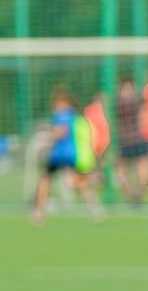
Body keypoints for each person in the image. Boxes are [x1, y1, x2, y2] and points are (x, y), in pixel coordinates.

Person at [30, 87, 105, 225]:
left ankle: (38, 212)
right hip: (73, 155)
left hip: (61, 154)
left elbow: (61, 132)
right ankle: (95, 208)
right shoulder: (75, 116)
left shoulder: (63, 114)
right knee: (79, 183)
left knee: (45, 180)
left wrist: (47, 136)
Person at [111, 69, 148, 203]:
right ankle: (139, 193)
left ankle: (131, 194)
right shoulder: (136, 98)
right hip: (137, 138)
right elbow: (143, 115)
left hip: (125, 139)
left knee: (123, 167)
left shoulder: (118, 100)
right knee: (141, 164)